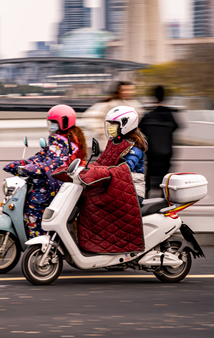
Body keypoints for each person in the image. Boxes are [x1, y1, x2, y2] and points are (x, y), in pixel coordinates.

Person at [51, 106, 147, 254]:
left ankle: (106, 246)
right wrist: (84, 167)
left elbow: (125, 169)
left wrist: (99, 171)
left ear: (126, 124)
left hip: (131, 191)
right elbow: (101, 163)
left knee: (95, 203)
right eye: (109, 124)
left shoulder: (135, 148)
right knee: (86, 197)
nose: (110, 128)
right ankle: (92, 242)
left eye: (114, 124)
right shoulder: (114, 143)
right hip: (116, 187)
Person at [3, 105, 87, 238]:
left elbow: (52, 165)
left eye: (54, 122)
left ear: (64, 122)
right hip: (58, 183)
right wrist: (24, 163)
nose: (51, 126)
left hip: (55, 185)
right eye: (50, 122)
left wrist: (26, 169)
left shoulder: (63, 143)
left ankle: (40, 239)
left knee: (35, 206)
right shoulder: (62, 139)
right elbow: (43, 156)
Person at [139, 86, 179, 198]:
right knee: (166, 175)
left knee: (149, 173)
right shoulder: (170, 115)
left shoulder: (149, 115)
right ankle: (164, 197)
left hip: (152, 151)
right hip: (167, 151)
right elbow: (176, 127)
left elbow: (140, 128)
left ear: (153, 97)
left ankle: (146, 196)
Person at [83, 81, 144, 151]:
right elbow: (90, 116)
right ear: (119, 91)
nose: (128, 92)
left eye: (131, 90)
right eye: (125, 90)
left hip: (130, 144)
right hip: (111, 144)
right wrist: (100, 129)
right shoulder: (109, 104)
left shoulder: (137, 105)